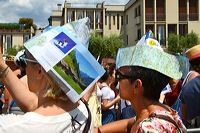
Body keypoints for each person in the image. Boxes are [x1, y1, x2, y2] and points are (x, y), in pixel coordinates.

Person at [95, 40, 186, 132]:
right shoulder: (163, 112)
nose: (118, 80)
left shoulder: (148, 129)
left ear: (137, 85)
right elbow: (128, 124)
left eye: (120, 76)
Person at [0, 47, 92, 131]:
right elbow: (33, 104)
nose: (26, 69)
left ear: (39, 71)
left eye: (26, 63)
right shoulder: (83, 111)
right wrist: (2, 66)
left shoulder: (11, 127)